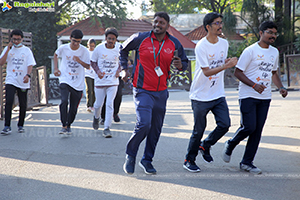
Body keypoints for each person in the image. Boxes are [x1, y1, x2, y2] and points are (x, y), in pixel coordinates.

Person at [120, 11, 188, 175]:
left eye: (161, 23)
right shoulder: (140, 37)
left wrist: (180, 65)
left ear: (167, 26)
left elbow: (184, 63)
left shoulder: (174, 43)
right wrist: (124, 69)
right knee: (144, 124)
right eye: (156, 22)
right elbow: (122, 49)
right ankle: (131, 155)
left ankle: (147, 160)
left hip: (161, 92)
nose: (157, 25)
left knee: (156, 128)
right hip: (142, 90)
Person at [222, 21, 288, 174]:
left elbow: (273, 73)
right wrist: (254, 85)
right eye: (269, 32)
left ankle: (247, 162)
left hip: (265, 97)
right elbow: (237, 72)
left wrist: (281, 88)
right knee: (249, 126)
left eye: (274, 33)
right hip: (248, 95)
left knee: (257, 130)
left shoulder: (274, 52)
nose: (273, 35)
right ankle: (231, 144)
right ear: (261, 33)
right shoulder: (250, 51)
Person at [183, 12, 238, 173]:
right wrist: (226, 66)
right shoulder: (201, 46)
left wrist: (226, 63)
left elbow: (219, 64)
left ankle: (205, 145)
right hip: (200, 95)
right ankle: (189, 160)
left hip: (217, 93)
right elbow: (207, 72)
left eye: (221, 22)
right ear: (208, 27)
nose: (220, 26)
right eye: (216, 23)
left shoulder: (224, 43)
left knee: (225, 124)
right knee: (198, 129)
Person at [53, 29, 90, 135]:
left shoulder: (84, 51)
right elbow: (56, 54)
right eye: (74, 41)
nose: (76, 43)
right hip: (65, 78)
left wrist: (79, 61)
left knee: (73, 107)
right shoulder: (63, 48)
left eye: (78, 41)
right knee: (64, 101)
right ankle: (63, 125)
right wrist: (56, 69)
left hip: (77, 82)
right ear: (70, 38)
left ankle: (69, 124)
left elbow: (88, 66)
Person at [0, 29, 36, 135]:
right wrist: (7, 49)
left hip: (23, 80)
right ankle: (7, 126)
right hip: (11, 79)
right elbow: (1, 63)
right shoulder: (8, 49)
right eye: (14, 39)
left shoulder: (26, 50)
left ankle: (20, 125)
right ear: (11, 39)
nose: (16, 41)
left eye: (18, 39)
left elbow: (30, 64)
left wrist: (28, 75)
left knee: (23, 103)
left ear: (22, 39)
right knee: (9, 101)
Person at [91, 27, 121, 138]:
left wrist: (119, 70)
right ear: (105, 38)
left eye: (113, 39)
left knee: (109, 104)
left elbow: (122, 61)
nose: (111, 41)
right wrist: (98, 71)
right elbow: (93, 62)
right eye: (109, 38)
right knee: (98, 104)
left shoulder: (119, 48)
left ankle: (107, 128)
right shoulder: (99, 48)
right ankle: (96, 117)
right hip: (100, 81)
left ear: (116, 40)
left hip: (113, 81)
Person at [85, 38, 96, 113]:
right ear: (87, 45)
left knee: (95, 90)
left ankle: (94, 105)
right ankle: (89, 105)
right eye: (90, 45)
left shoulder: (96, 52)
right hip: (87, 73)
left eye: (93, 46)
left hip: (95, 74)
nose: (91, 47)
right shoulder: (86, 52)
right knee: (89, 89)